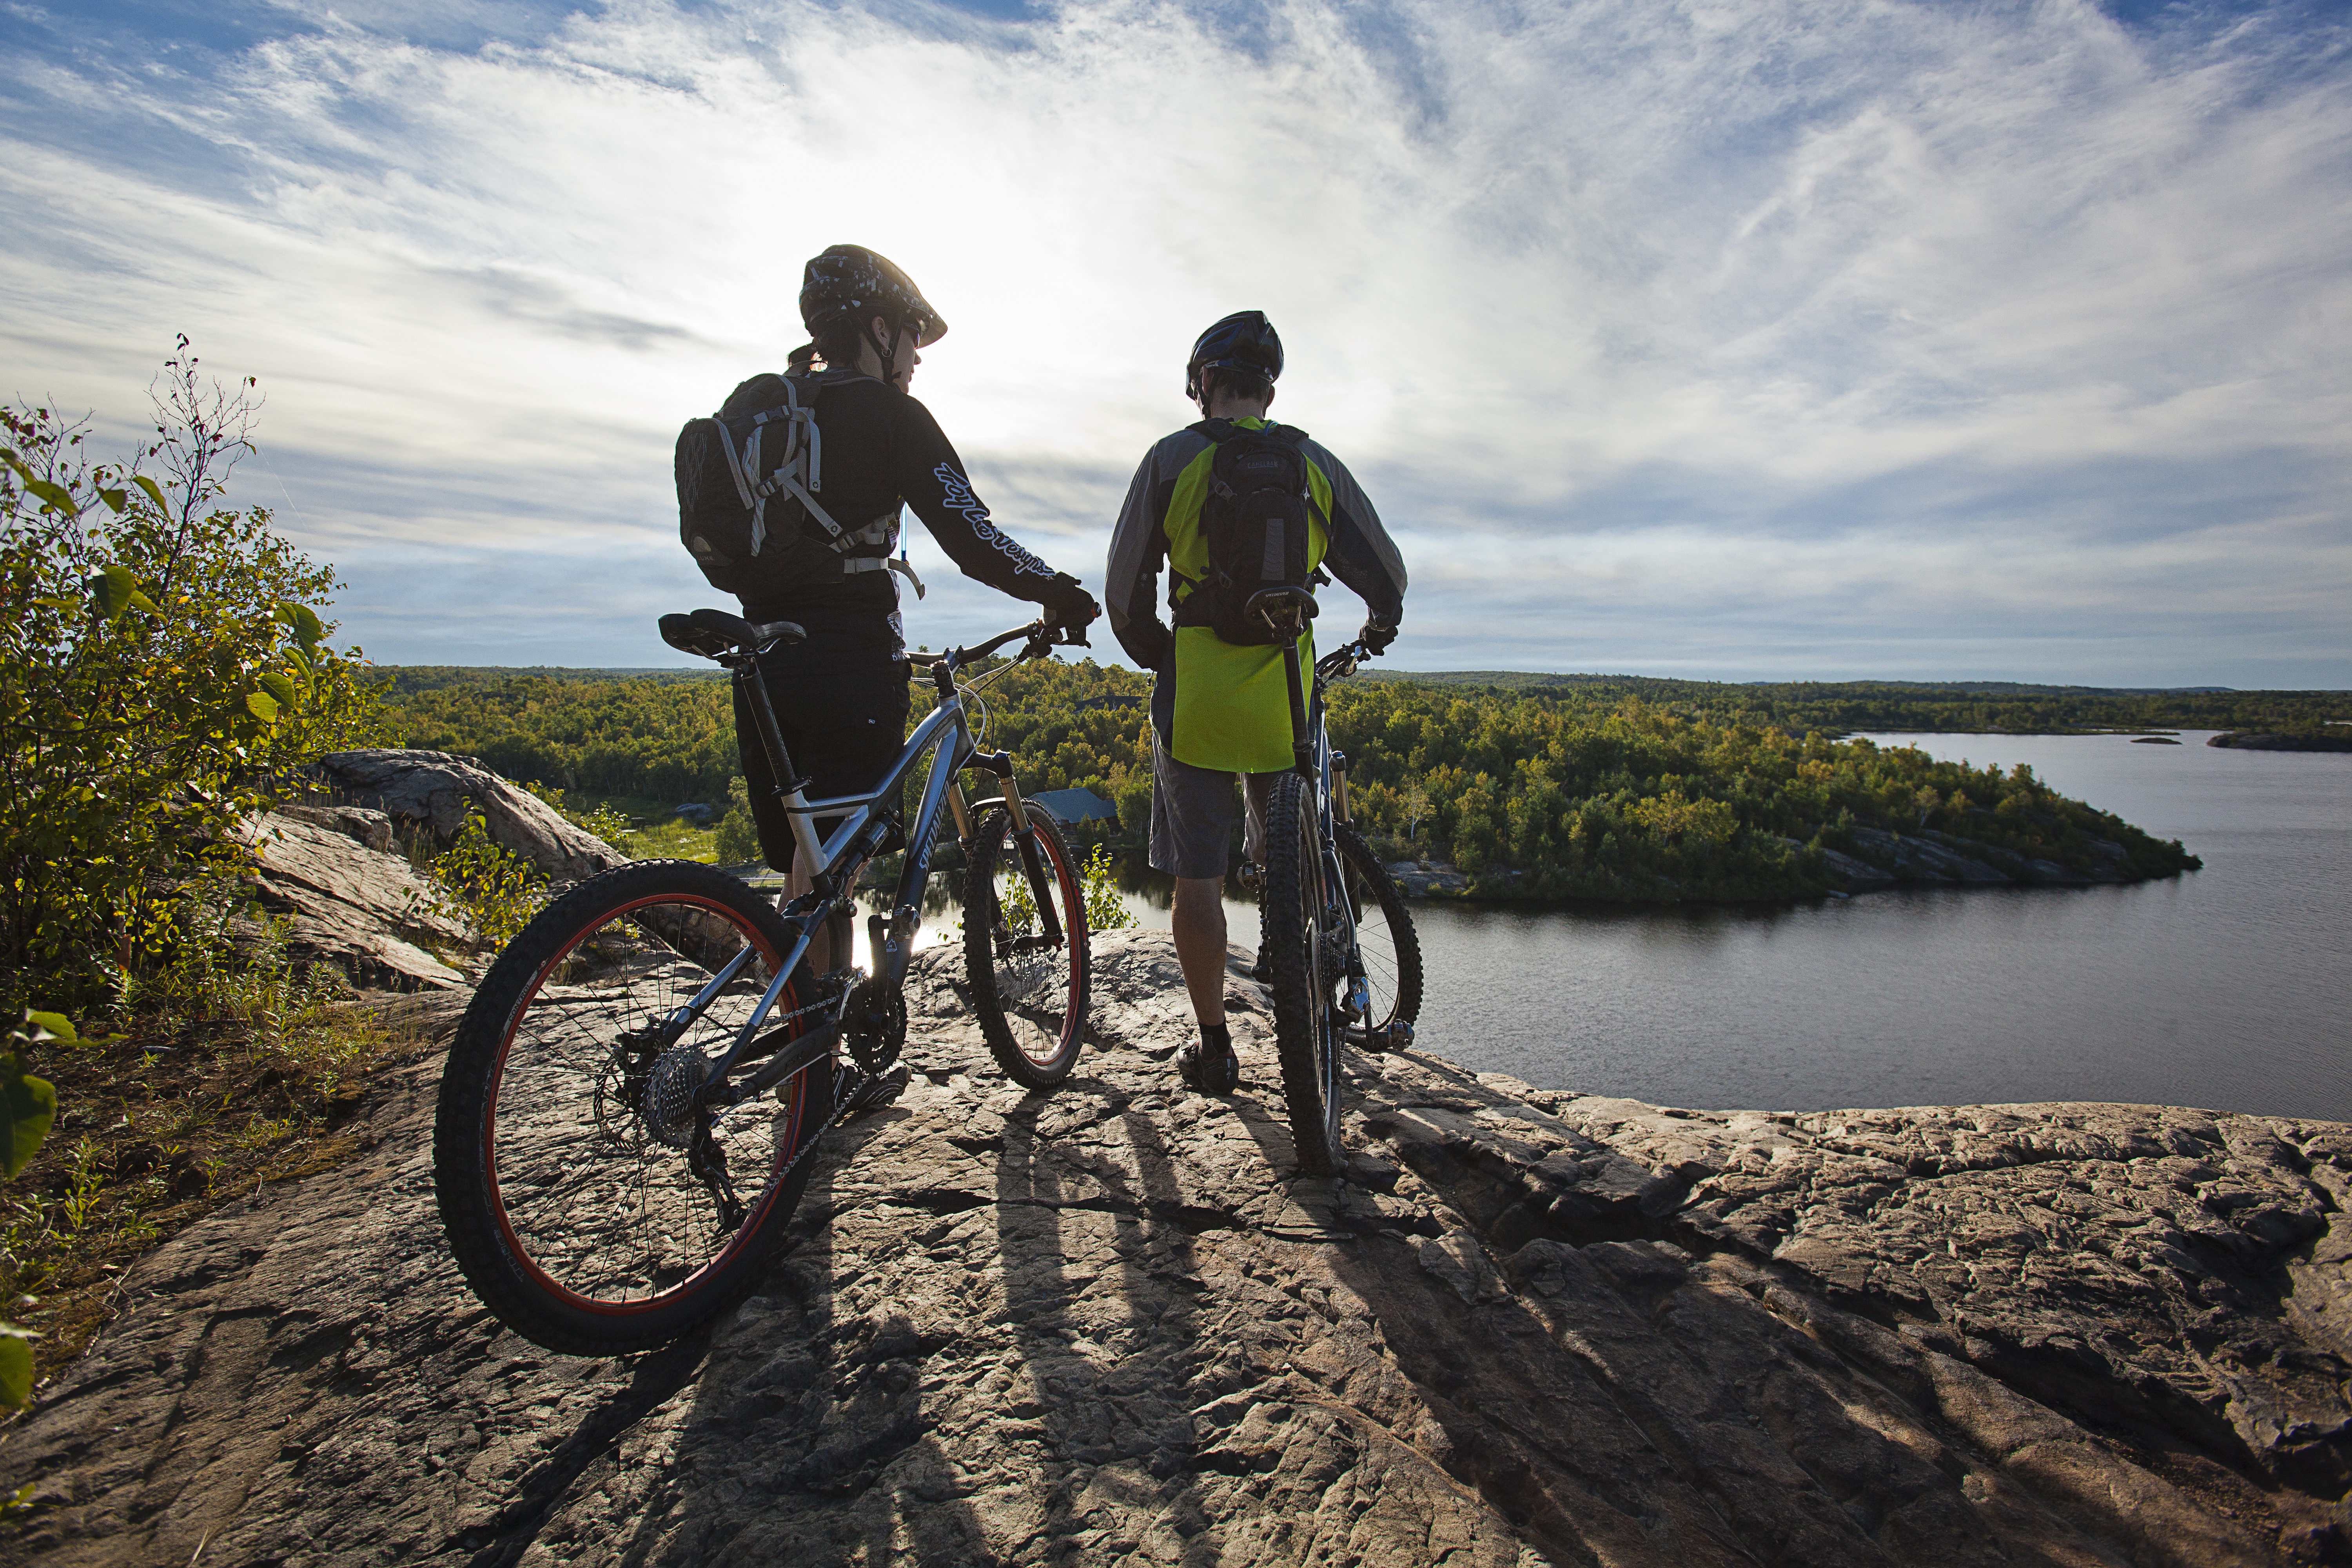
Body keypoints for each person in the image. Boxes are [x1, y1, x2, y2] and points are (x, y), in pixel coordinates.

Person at [701, 245, 1099, 986]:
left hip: (764, 653)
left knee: (806, 860)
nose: (917, 360)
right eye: (913, 340)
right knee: (835, 869)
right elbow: (971, 536)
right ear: (880, 330)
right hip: (849, 660)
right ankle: (813, 1066)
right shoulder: (891, 416)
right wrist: (1059, 591)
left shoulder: (762, 409)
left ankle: (805, 1053)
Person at [1103, 311, 1407, 1093]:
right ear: (1269, 388)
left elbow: (1125, 594)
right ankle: (1299, 980)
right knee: (1296, 845)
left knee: (1196, 878)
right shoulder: (1312, 464)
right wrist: (1381, 620)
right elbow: (1386, 571)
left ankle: (1215, 1049)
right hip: (1286, 691)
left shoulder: (1171, 460)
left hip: (1197, 695)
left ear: (1201, 384)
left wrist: (1165, 656)